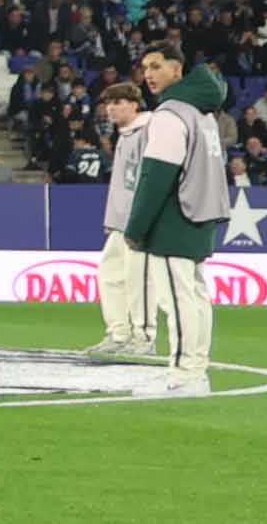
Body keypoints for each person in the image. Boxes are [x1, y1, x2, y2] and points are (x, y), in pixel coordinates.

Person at [125, 45, 234, 379]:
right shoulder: (203, 112)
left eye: (156, 66)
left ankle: (184, 369)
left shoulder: (171, 114)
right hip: (202, 212)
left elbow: (156, 176)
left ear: (177, 70)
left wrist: (136, 227)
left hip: (175, 215)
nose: (148, 74)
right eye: (145, 67)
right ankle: (197, 363)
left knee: (176, 297)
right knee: (196, 294)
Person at [91, 82, 156, 354]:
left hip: (139, 220)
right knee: (110, 273)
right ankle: (119, 333)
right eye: (108, 103)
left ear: (133, 104)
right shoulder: (126, 134)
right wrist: (114, 219)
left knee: (138, 278)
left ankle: (144, 338)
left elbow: (151, 178)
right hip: (122, 221)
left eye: (117, 102)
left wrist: (143, 219)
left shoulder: (148, 131)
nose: (110, 108)